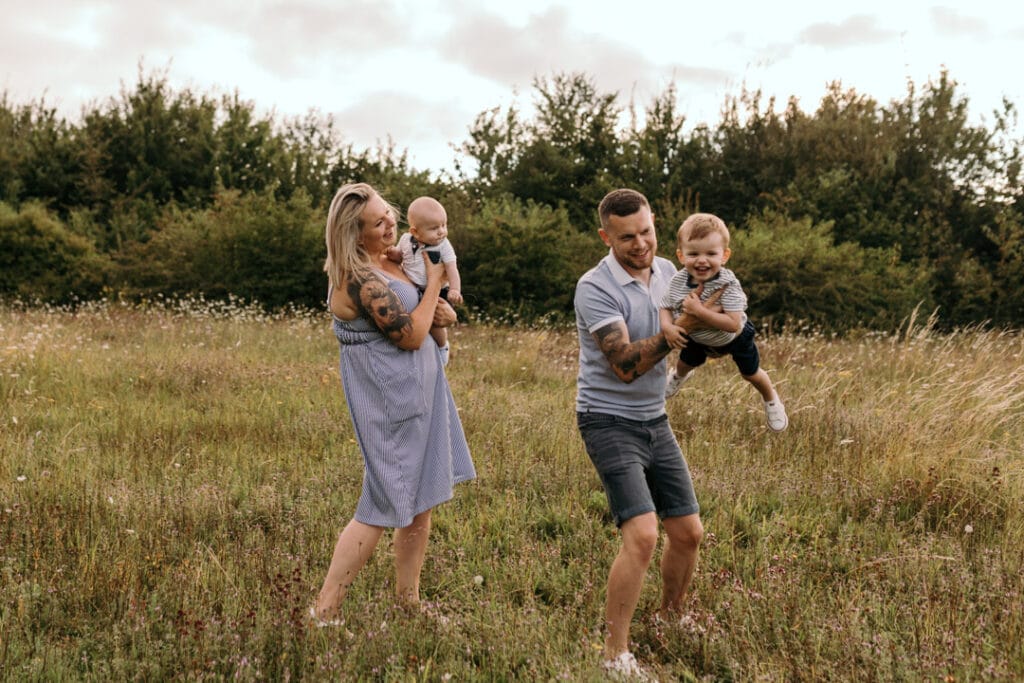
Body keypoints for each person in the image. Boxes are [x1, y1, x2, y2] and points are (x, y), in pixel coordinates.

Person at [312, 182, 476, 626]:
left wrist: (444, 314)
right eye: (378, 221)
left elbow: (431, 321)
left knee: (420, 498)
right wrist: (436, 287)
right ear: (353, 233)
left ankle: (408, 600)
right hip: (388, 401)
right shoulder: (358, 278)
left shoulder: (391, 259)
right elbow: (409, 334)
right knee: (380, 505)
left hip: (421, 391)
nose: (391, 224)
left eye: (390, 214)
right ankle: (324, 612)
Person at [575, 188, 719, 679]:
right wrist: (681, 326)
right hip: (606, 418)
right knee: (642, 535)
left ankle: (671, 617)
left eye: (647, 232)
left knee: (689, 532)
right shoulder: (594, 287)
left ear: (655, 223)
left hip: (653, 417)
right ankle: (615, 653)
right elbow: (625, 366)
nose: (640, 245)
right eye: (627, 238)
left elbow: (710, 321)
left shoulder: (670, 275)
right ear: (605, 236)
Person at [659, 212, 788, 432]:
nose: (702, 260)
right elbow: (665, 305)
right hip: (698, 338)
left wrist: (699, 311)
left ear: (724, 255)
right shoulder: (678, 281)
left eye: (711, 253)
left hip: (734, 338)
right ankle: (678, 377)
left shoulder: (727, 283)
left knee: (751, 373)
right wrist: (668, 328)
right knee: (685, 362)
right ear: (681, 256)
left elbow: (733, 323)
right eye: (693, 253)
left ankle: (771, 400)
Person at [386, 196, 463, 364]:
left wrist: (455, 290)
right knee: (418, 321)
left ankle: (442, 348)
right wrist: (394, 255)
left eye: (444, 225)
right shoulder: (406, 240)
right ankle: (426, 355)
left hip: (439, 291)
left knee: (435, 322)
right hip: (415, 286)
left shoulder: (443, 245)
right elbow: (401, 256)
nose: (442, 231)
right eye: (435, 228)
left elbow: (451, 268)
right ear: (415, 232)